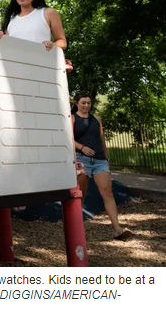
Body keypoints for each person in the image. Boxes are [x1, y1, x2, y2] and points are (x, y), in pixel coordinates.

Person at [72, 92, 132, 240]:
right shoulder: (72, 119)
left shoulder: (96, 119)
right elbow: (68, 139)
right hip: (82, 160)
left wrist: (106, 159)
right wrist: (81, 147)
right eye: (83, 102)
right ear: (77, 103)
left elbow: (102, 139)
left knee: (108, 193)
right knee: (81, 195)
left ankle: (118, 230)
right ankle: (77, 233)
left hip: (100, 161)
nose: (86, 105)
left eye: (89, 103)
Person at [0, 0, 67, 51]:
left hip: (40, 58)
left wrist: (52, 45)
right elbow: (6, 46)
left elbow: (62, 42)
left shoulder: (48, 13)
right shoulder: (11, 18)